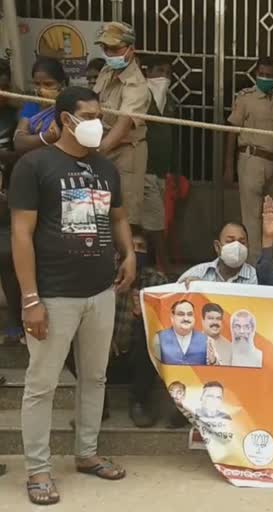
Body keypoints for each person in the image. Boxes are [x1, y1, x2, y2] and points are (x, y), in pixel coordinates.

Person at [10, 86, 135, 504]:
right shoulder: (34, 166)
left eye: (100, 114)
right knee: (41, 385)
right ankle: (38, 471)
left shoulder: (105, 169)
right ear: (65, 119)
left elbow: (118, 216)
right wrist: (30, 299)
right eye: (89, 115)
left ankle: (86, 453)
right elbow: (21, 234)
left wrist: (130, 253)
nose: (97, 123)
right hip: (54, 295)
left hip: (99, 292)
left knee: (95, 377)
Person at [224, 56, 273, 264]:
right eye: (261, 74)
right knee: (251, 218)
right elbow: (231, 131)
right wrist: (229, 166)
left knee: (268, 217)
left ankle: (266, 263)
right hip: (251, 159)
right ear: (256, 75)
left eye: (269, 75)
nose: (265, 78)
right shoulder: (245, 99)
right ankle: (252, 267)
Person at [93, 22, 152, 229]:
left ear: (130, 50)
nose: (109, 53)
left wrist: (95, 152)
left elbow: (123, 124)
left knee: (124, 215)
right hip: (103, 146)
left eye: (115, 49)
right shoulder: (107, 70)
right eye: (106, 48)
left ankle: (124, 257)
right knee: (98, 210)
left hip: (126, 152)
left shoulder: (136, 84)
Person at [110, 227, 169, 428]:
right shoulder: (106, 278)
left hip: (140, 362)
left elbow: (167, 327)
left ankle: (140, 402)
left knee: (150, 335)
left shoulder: (157, 281)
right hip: (106, 357)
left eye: (141, 248)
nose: (136, 253)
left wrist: (142, 316)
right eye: (131, 248)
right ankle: (95, 405)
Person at [177, 196, 273, 285]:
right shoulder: (197, 274)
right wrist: (197, 290)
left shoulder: (256, 278)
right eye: (230, 241)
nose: (237, 246)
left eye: (242, 242)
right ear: (217, 246)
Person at [142, 55, 178, 272]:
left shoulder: (169, 100)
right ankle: (161, 266)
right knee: (154, 222)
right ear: (148, 72)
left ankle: (150, 265)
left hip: (161, 171)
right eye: (160, 71)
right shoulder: (142, 97)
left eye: (168, 72)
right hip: (144, 168)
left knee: (154, 221)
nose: (164, 76)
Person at [0, 62, 21, 344]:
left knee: (8, 259)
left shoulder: (18, 116)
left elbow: (26, 152)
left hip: (9, 198)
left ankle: (15, 320)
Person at [13, 57, 68, 154]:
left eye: (48, 84)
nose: (41, 89)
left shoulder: (68, 106)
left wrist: (32, 140)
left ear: (61, 84)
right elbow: (19, 142)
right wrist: (46, 137)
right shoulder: (32, 104)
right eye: (37, 84)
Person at [152, 300, 209, 366]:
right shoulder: (159, 338)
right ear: (172, 317)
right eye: (181, 314)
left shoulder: (206, 340)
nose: (186, 318)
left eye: (190, 314)